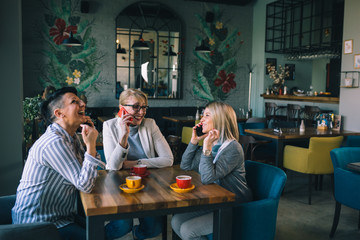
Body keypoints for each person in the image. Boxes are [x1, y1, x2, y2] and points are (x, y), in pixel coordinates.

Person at [12, 87, 105, 240]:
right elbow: (85, 185)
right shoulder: (54, 142)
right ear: (59, 113)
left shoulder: (70, 136)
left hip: (61, 216)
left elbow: (89, 169)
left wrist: (90, 144)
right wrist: (91, 145)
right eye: (75, 101)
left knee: (99, 230)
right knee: (97, 235)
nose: (82, 103)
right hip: (37, 224)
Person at [171, 101, 253, 240]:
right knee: (175, 221)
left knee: (187, 230)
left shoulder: (233, 148)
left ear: (220, 120)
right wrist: (194, 142)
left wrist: (207, 149)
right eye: (203, 114)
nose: (201, 119)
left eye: (207, 115)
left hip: (233, 204)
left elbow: (208, 178)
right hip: (213, 200)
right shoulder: (210, 142)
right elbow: (185, 166)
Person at [102, 88, 173, 240]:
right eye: (136, 107)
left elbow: (168, 159)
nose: (141, 112)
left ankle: (137, 234)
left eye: (144, 107)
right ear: (122, 108)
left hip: (148, 183)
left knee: (154, 229)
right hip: (120, 185)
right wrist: (124, 136)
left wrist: (133, 164)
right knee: (122, 226)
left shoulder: (150, 124)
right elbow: (113, 166)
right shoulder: (109, 126)